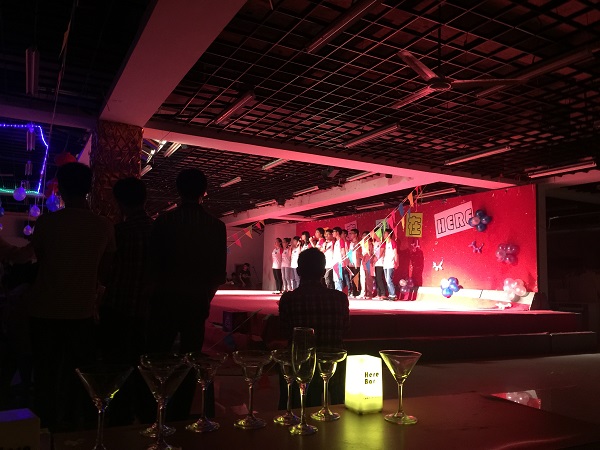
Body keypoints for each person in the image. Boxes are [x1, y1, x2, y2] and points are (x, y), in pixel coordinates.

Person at [25, 162, 116, 430]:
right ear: (89, 188)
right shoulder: (104, 226)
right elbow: (105, 272)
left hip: (44, 310)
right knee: (79, 375)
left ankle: (45, 429)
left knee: (45, 374)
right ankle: (78, 428)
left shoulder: (46, 222)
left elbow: (41, 260)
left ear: (61, 189)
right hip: (81, 312)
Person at [148, 168, 226, 421]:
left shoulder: (164, 222)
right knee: (191, 357)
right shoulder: (215, 226)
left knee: (160, 356)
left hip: (164, 298)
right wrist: (204, 297)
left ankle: (156, 412)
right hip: (196, 299)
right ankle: (181, 414)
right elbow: (218, 274)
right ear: (205, 191)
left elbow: (152, 265)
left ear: (178, 190)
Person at [100, 177, 154, 425]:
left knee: (118, 370)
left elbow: (105, 274)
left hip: (119, 309)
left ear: (119, 202)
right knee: (145, 371)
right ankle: (146, 418)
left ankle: (118, 421)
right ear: (144, 199)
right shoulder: (159, 232)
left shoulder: (118, 232)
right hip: (149, 312)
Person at [278, 248, 349, 407]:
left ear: (298, 271)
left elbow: (284, 331)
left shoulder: (289, 299)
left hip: (302, 365)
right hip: (334, 364)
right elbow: (345, 328)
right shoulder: (340, 298)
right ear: (323, 272)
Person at [382, 229, 399, 301]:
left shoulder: (393, 242)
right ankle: (390, 294)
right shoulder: (385, 243)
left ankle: (393, 295)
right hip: (385, 264)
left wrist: (396, 262)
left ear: (389, 234)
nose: (384, 235)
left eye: (385, 233)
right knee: (387, 280)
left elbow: (395, 253)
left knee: (389, 279)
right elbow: (383, 252)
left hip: (391, 263)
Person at [346, 228, 362, 298]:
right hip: (351, 263)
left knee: (356, 278)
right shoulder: (350, 243)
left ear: (356, 234)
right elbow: (349, 253)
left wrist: (356, 243)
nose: (350, 235)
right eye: (350, 233)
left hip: (356, 263)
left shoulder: (359, 243)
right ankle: (354, 292)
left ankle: (357, 292)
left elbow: (359, 253)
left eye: (352, 233)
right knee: (352, 278)